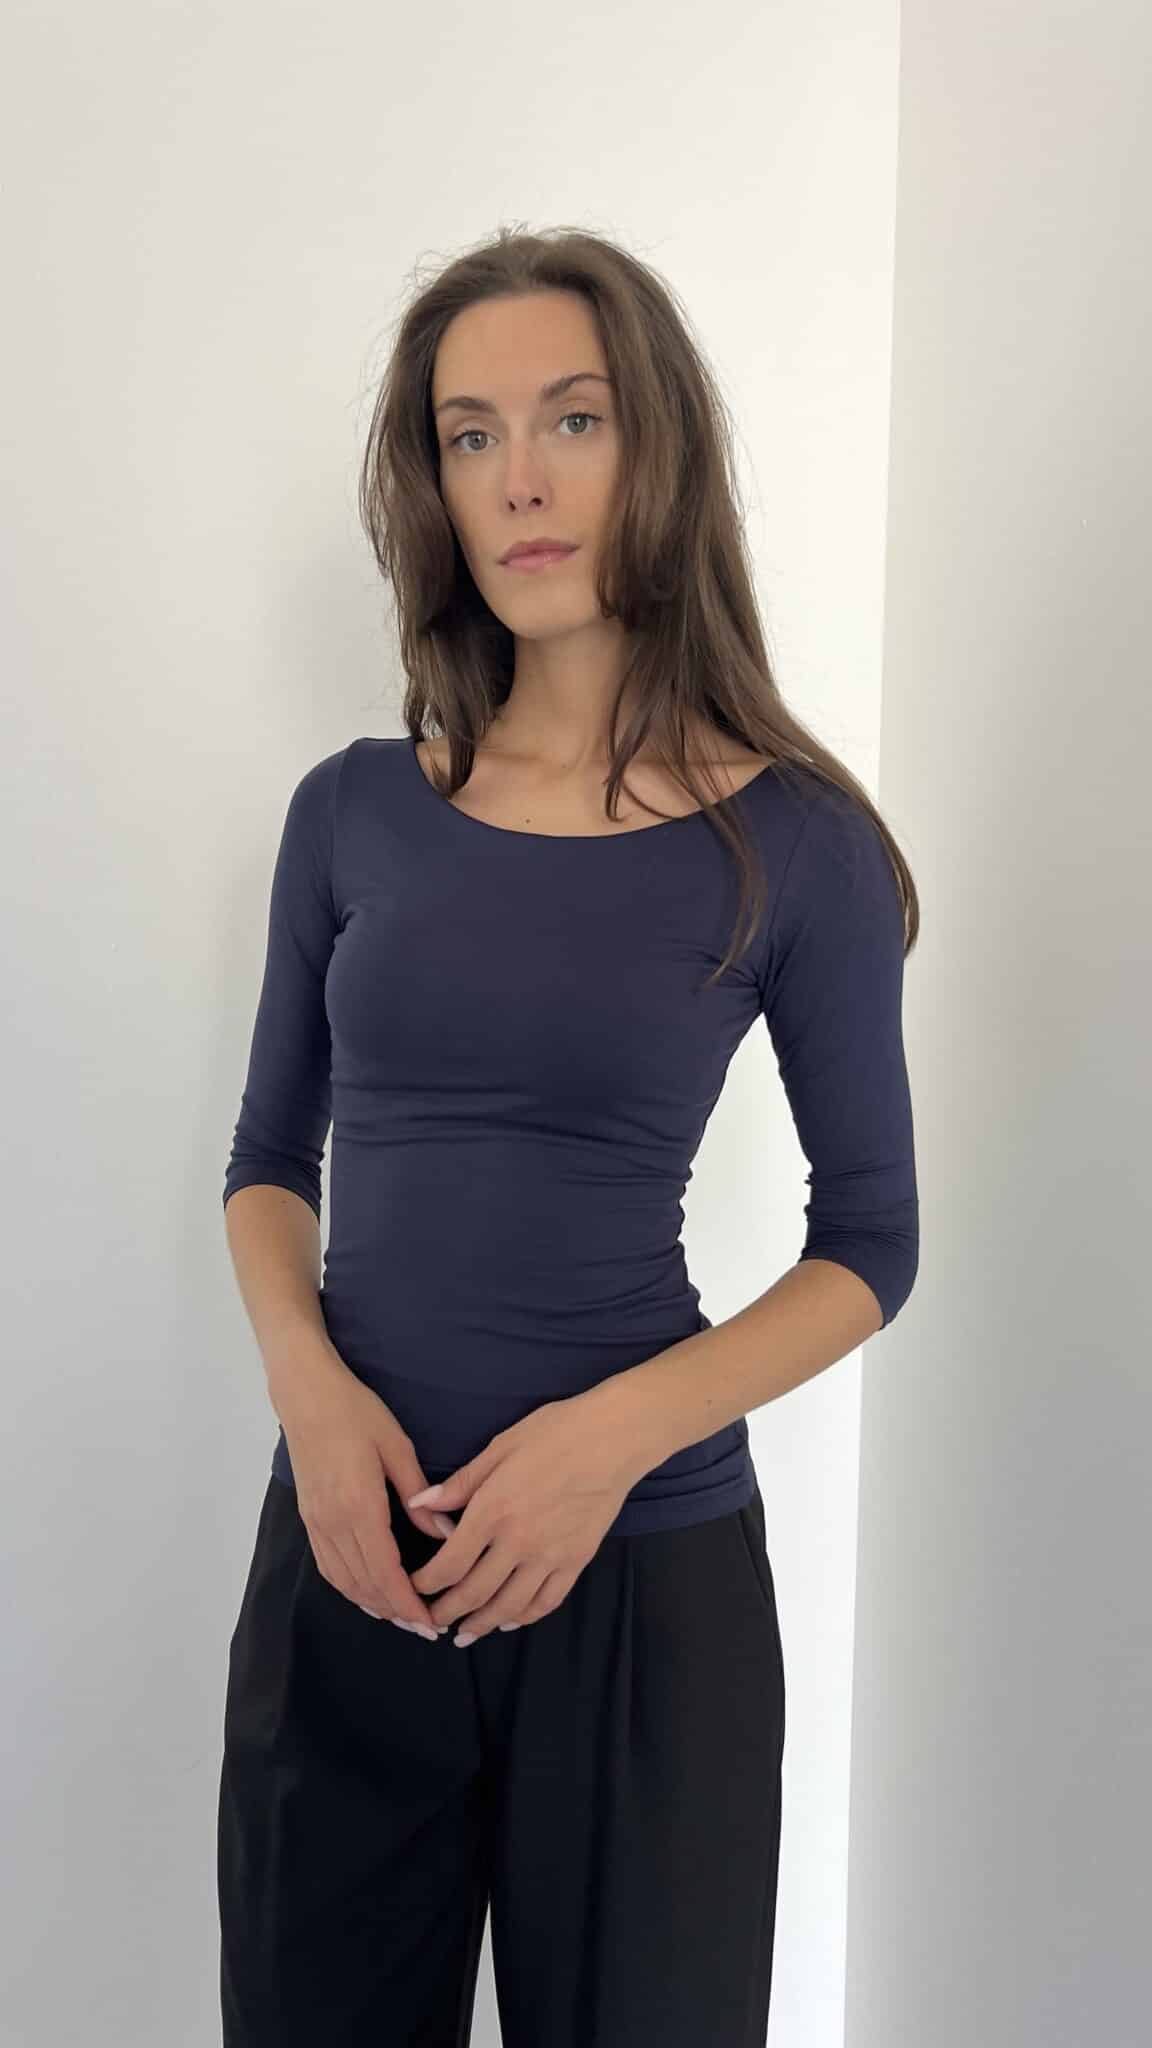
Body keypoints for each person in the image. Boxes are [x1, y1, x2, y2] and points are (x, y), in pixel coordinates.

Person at [216, 227, 920, 2047]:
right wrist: (310, 1395)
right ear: (433, 486)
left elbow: (872, 1245)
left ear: (654, 448)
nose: (519, 478)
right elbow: (270, 1158)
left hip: (643, 1589)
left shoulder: (797, 845)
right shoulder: (351, 813)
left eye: (572, 419)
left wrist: (603, 1446)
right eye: (470, 434)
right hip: (354, 1547)